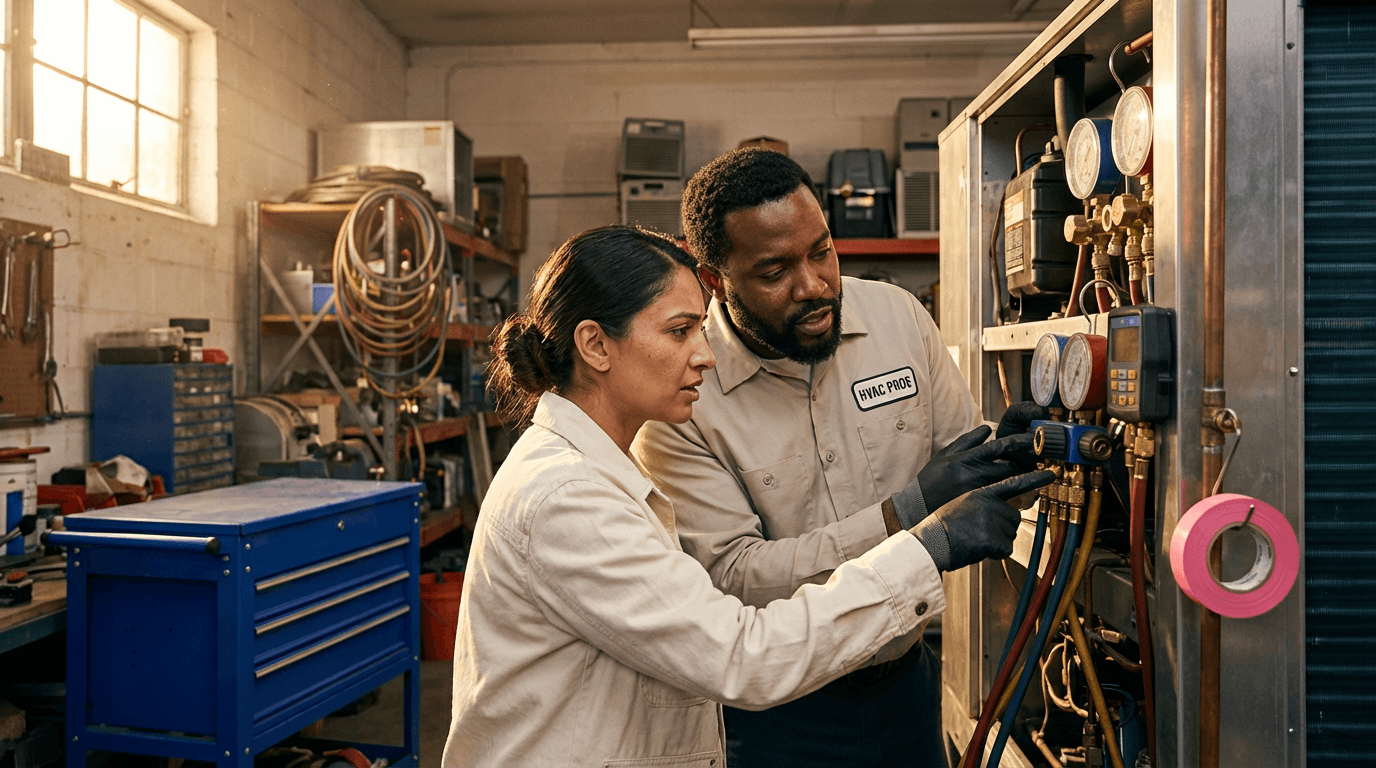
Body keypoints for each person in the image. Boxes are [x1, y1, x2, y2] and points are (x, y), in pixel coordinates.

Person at [442, 224, 1051, 768]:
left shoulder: (592, 470)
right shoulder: (568, 497)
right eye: (680, 331)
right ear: (596, 346)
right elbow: (741, 655)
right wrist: (927, 546)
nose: (704, 354)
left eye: (699, 329)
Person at [634, 148, 1048, 767]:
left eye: (821, 250)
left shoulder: (899, 320)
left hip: (905, 686)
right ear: (715, 279)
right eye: (775, 270)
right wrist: (908, 512)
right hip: (774, 714)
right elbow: (732, 577)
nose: (815, 285)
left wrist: (1009, 461)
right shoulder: (683, 398)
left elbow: (960, 481)